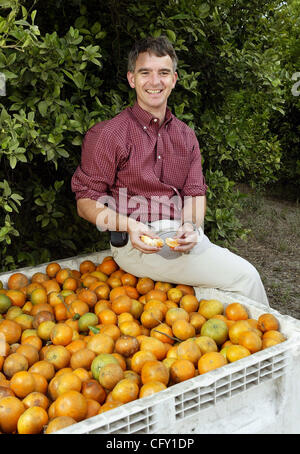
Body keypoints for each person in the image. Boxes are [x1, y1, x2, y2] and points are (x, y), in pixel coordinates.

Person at [71, 36, 269, 307]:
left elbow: (195, 194)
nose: (155, 82)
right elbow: (85, 203)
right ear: (132, 79)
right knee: (245, 276)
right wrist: (129, 225)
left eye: (163, 73)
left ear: (174, 79)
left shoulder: (186, 136)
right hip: (137, 242)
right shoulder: (109, 134)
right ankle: (282, 350)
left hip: (181, 237)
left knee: (220, 300)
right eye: (145, 73)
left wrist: (190, 226)